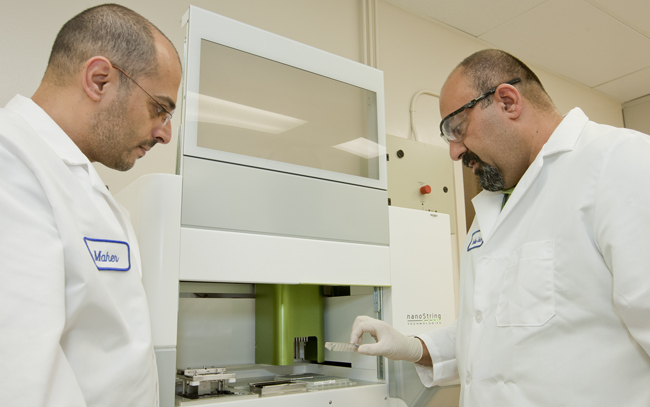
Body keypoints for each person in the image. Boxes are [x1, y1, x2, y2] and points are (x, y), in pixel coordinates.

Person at [351, 49, 650, 406]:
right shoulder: (494, 205)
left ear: (508, 101)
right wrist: (414, 347)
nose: (454, 152)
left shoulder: (620, 162)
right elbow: (486, 332)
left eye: (456, 129)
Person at [0, 4, 181, 406]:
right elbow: (22, 383)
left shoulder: (71, 178)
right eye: (160, 109)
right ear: (99, 80)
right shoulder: (10, 161)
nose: (165, 134)